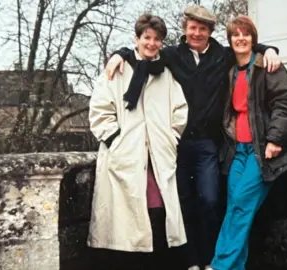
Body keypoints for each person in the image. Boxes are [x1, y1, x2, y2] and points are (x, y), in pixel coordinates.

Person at [104, 5, 281, 270]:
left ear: (210, 32)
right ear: (185, 29)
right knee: (182, 203)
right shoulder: (173, 55)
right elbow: (145, 52)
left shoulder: (223, 55)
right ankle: (189, 263)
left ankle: (210, 260)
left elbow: (246, 45)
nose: (196, 33)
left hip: (209, 143)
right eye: (192, 28)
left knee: (210, 200)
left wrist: (269, 50)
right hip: (177, 143)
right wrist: (120, 54)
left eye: (203, 29)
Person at [87, 14, 188, 270]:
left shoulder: (166, 73)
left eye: (157, 39)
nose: (152, 44)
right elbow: (99, 111)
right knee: (123, 220)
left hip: (157, 157)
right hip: (125, 157)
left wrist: (171, 138)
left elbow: (180, 110)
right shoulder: (118, 69)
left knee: (157, 210)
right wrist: (116, 141)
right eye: (147, 38)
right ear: (137, 38)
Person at [210, 15, 287, 270]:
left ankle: (219, 266)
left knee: (241, 205)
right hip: (236, 150)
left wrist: (275, 139)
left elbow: (284, 103)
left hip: (262, 151)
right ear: (230, 40)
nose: (241, 38)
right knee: (235, 208)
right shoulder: (228, 67)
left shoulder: (268, 66)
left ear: (253, 38)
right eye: (235, 34)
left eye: (246, 34)